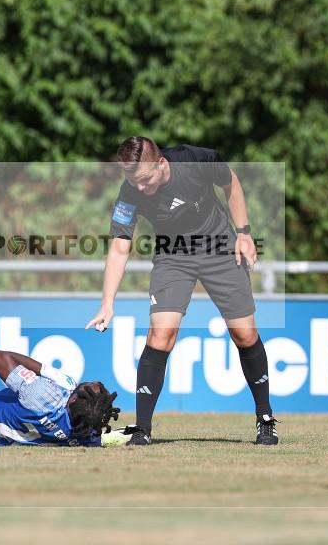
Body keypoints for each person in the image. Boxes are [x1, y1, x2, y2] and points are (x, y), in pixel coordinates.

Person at [86, 137, 279, 446]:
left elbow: (231, 183)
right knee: (160, 336)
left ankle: (265, 418)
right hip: (172, 257)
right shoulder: (129, 192)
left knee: (244, 334)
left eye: (145, 181)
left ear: (161, 164)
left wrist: (244, 233)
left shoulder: (196, 161)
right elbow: (120, 247)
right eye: (133, 182)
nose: (139, 189)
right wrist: (107, 302)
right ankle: (143, 429)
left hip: (220, 247)